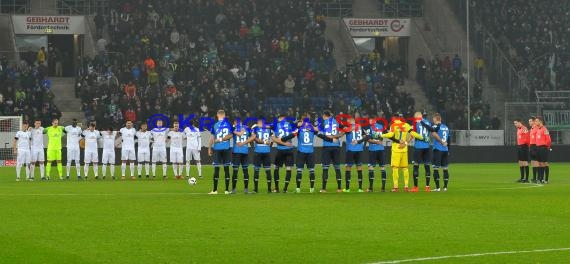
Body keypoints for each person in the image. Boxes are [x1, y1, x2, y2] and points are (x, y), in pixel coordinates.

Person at [379, 114, 425, 192]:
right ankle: (406, 186)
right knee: (405, 168)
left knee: (395, 168)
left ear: (394, 118)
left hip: (396, 149)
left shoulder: (393, 125)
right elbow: (413, 133)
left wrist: (381, 135)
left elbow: (390, 134)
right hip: (404, 149)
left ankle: (396, 187)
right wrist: (421, 137)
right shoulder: (406, 125)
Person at [421, 113, 450, 192]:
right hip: (445, 150)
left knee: (435, 168)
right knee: (445, 169)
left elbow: (430, 129)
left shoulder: (436, 126)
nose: (433, 120)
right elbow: (449, 140)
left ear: (436, 119)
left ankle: (437, 188)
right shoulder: (446, 127)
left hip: (438, 149)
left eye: (433, 119)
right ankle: (445, 187)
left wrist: (422, 123)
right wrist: (448, 150)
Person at [208, 110, 233, 195]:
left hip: (217, 149)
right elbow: (231, 135)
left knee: (216, 169)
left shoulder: (214, 124)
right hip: (226, 148)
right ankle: (226, 190)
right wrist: (223, 139)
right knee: (226, 169)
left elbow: (212, 138)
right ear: (224, 115)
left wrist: (209, 148)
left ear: (217, 115)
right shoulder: (229, 123)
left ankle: (214, 190)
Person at [271, 114, 295, 193]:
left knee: (276, 168)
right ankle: (285, 189)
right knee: (288, 169)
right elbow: (295, 131)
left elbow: (274, 139)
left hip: (280, 150)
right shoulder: (291, 124)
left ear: (279, 118)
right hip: (289, 149)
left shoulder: (275, 125)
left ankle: (276, 188)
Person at [320, 110, 343, 192]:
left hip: (327, 146)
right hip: (336, 146)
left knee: (325, 168)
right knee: (337, 168)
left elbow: (319, 132)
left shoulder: (323, 122)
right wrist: (336, 137)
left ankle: (323, 188)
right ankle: (339, 188)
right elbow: (344, 131)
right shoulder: (337, 122)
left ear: (324, 115)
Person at [362, 118, 387, 192]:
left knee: (371, 168)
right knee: (382, 168)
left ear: (372, 120)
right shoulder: (381, 126)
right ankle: (383, 188)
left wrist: (375, 142)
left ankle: (370, 188)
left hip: (372, 150)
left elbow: (368, 139)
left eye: (370, 120)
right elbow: (385, 134)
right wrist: (380, 141)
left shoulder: (369, 128)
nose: (369, 122)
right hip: (381, 149)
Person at [231, 119, 254, 194]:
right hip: (245, 152)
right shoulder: (247, 128)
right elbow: (251, 139)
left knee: (235, 171)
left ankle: (234, 189)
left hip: (236, 152)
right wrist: (251, 146)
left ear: (235, 122)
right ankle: (246, 189)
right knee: (245, 170)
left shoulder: (233, 128)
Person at [251, 117, 273, 194]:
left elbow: (254, 139)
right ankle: (269, 189)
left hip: (258, 151)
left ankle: (255, 189)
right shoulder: (269, 128)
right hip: (266, 151)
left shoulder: (255, 127)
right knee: (268, 170)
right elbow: (271, 140)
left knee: (256, 170)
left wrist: (262, 143)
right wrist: (268, 145)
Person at [344, 117, 365, 192]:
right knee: (359, 167)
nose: (347, 122)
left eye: (347, 121)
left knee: (348, 167)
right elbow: (365, 136)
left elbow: (343, 132)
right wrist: (360, 142)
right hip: (359, 149)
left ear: (350, 120)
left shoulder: (348, 127)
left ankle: (347, 188)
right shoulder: (359, 126)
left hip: (351, 149)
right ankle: (360, 188)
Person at [412, 112, 432, 192]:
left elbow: (412, 134)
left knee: (416, 165)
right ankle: (427, 187)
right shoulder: (428, 122)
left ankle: (415, 187)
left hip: (418, 147)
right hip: (427, 147)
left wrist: (406, 141)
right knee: (427, 166)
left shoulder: (416, 123)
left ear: (417, 116)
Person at [534, 117, 551, 183]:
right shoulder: (538, 129)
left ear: (540, 121)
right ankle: (540, 178)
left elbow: (549, 140)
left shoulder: (545, 129)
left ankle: (545, 179)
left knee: (544, 163)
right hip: (538, 148)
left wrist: (546, 147)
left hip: (543, 148)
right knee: (539, 163)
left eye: (536, 121)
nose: (535, 122)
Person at [528, 117, 539, 182]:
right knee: (532, 162)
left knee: (536, 162)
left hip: (535, 146)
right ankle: (534, 177)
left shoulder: (536, 128)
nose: (529, 122)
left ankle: (538, 177)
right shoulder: (531, 129)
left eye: (530, 121)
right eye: (529, 121)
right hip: (532, 146)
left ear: (534, 121)